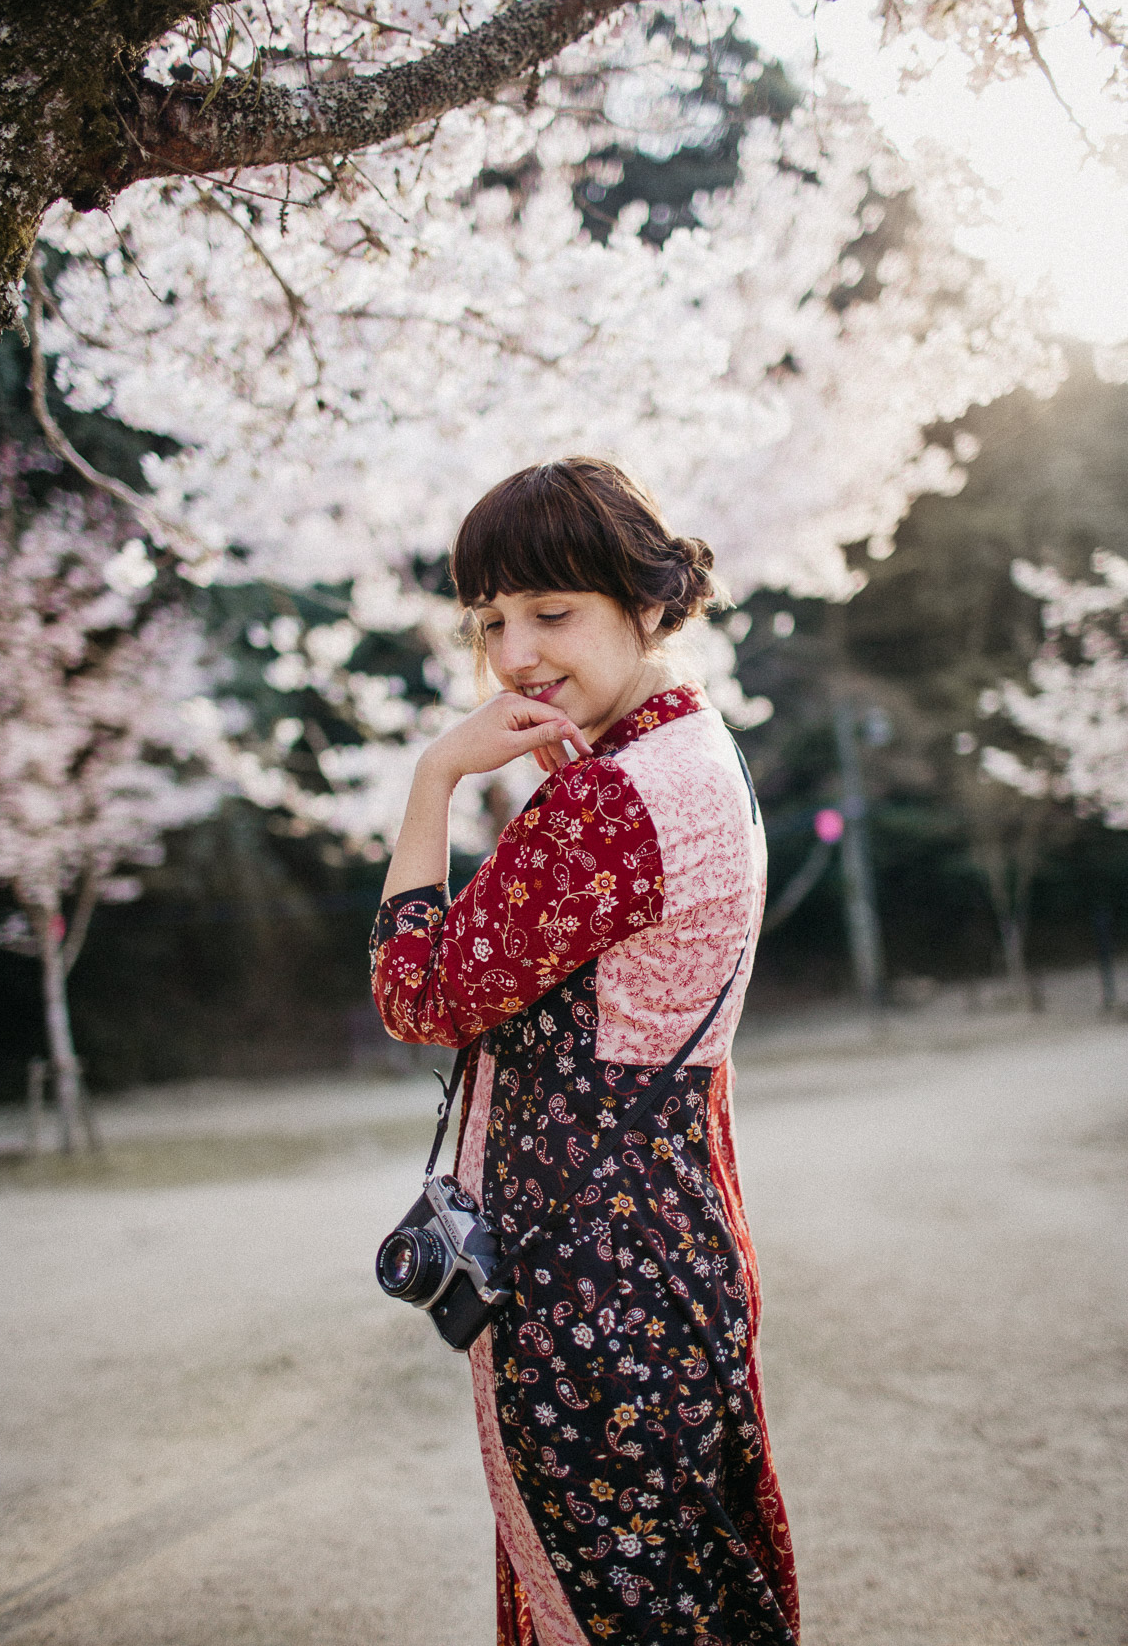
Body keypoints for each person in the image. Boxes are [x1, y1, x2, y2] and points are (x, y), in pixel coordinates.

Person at [371, 458, 799, 1646]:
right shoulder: (695, 754)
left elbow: (417, 994)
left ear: (646, 600)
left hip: (586, 1275)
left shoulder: (610, 802)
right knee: (681, 1591)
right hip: (668, 1239)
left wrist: (433, 779)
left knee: (611, 1609)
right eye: (490, 621)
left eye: (551, 611)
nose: (514, 655)